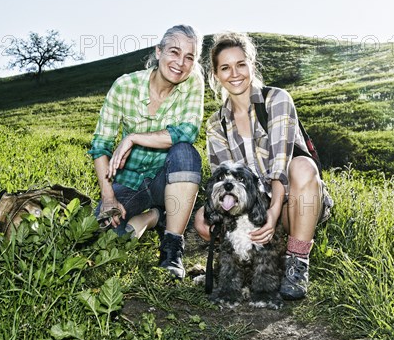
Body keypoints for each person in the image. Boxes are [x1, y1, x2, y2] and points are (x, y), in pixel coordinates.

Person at [194, 31, 332, 300]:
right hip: (254, 206)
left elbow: (279, 169)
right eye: (225, 67)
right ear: (216, 74)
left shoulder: (277, 100)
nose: (235, 74)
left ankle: (296, 263)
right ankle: (245, 258)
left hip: (293, 203)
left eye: (241, 64)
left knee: (302, 166)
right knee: (201, 220)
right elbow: (225, 180)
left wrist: (273, 212)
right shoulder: (215, 124)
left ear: (251, 65)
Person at [88, 25, 205, 280]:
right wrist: (108, 196)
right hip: (130, 182)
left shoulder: (193, 84)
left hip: (168, 180)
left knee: (186, 152)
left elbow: (186, 132)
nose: (181, 63)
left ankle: (172, 249)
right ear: (158, 51)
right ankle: (154, 217)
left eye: (189, 57)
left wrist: (133, 137)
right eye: (174, 52)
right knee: (102, 237)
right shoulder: (124, 86)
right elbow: (101, 145)